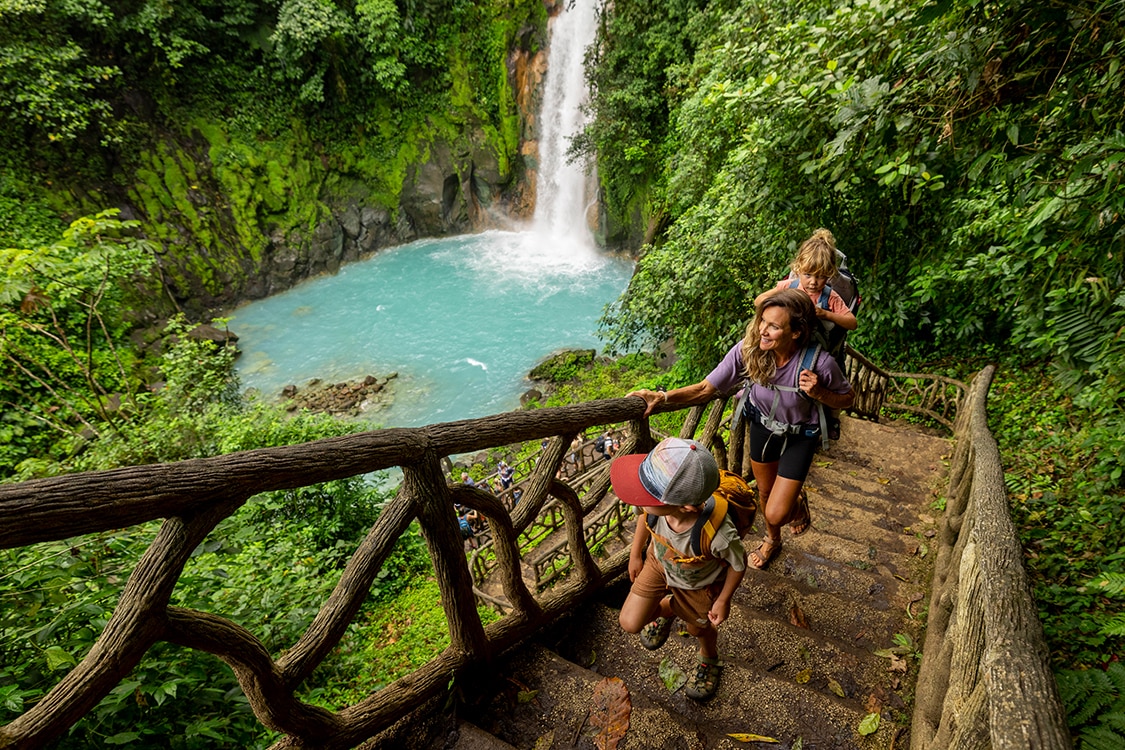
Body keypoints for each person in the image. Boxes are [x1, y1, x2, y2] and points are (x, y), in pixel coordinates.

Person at [628, 288, 855, 570]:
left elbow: (848, 398)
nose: (763, 330)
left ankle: (795, 504)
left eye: (774, 326)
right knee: (764, 492)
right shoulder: (748, 351)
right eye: (763, 321)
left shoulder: (820, 363)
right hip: (762, 423)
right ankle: (772, 539)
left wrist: (820, 391)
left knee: (776, 510)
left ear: (796, 332)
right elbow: (705, 389)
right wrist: (662, 397)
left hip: (801, 434)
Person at [613, 437, 746, 701]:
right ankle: (673, 608)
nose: (638, 499)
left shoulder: (718, 535)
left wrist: (723, 600)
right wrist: (635, 554)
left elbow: (738, 564)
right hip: (658, 563)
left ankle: (709, 658)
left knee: (698, 629)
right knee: (630, 622)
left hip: (697, 584)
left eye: (647, 494)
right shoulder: (656, 510)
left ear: (685, 506)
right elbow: (645, 516)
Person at [754, 229, 857, 441]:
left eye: (820, 277)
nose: (812, 282)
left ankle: (832, 419)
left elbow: (852, 322)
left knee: (835, 377)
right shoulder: (788, 286)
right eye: (808, 275)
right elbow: (759, 301)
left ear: (829, 274)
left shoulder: (830, 296)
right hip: (788, 347)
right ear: (797, 269)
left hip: (817, 352)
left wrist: (826, 313)